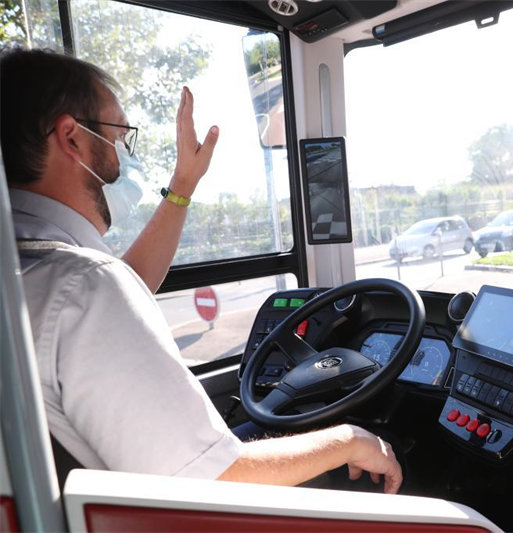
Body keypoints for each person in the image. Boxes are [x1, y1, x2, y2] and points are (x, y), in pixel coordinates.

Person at [1, 48, 402, 493]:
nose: (123, 158)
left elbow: (116, 287)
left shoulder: (27, 273)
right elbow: (212, 480)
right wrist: (348, 440)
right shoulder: (82, 286)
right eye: (120, 135)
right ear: (72, 139)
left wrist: (183, 185)